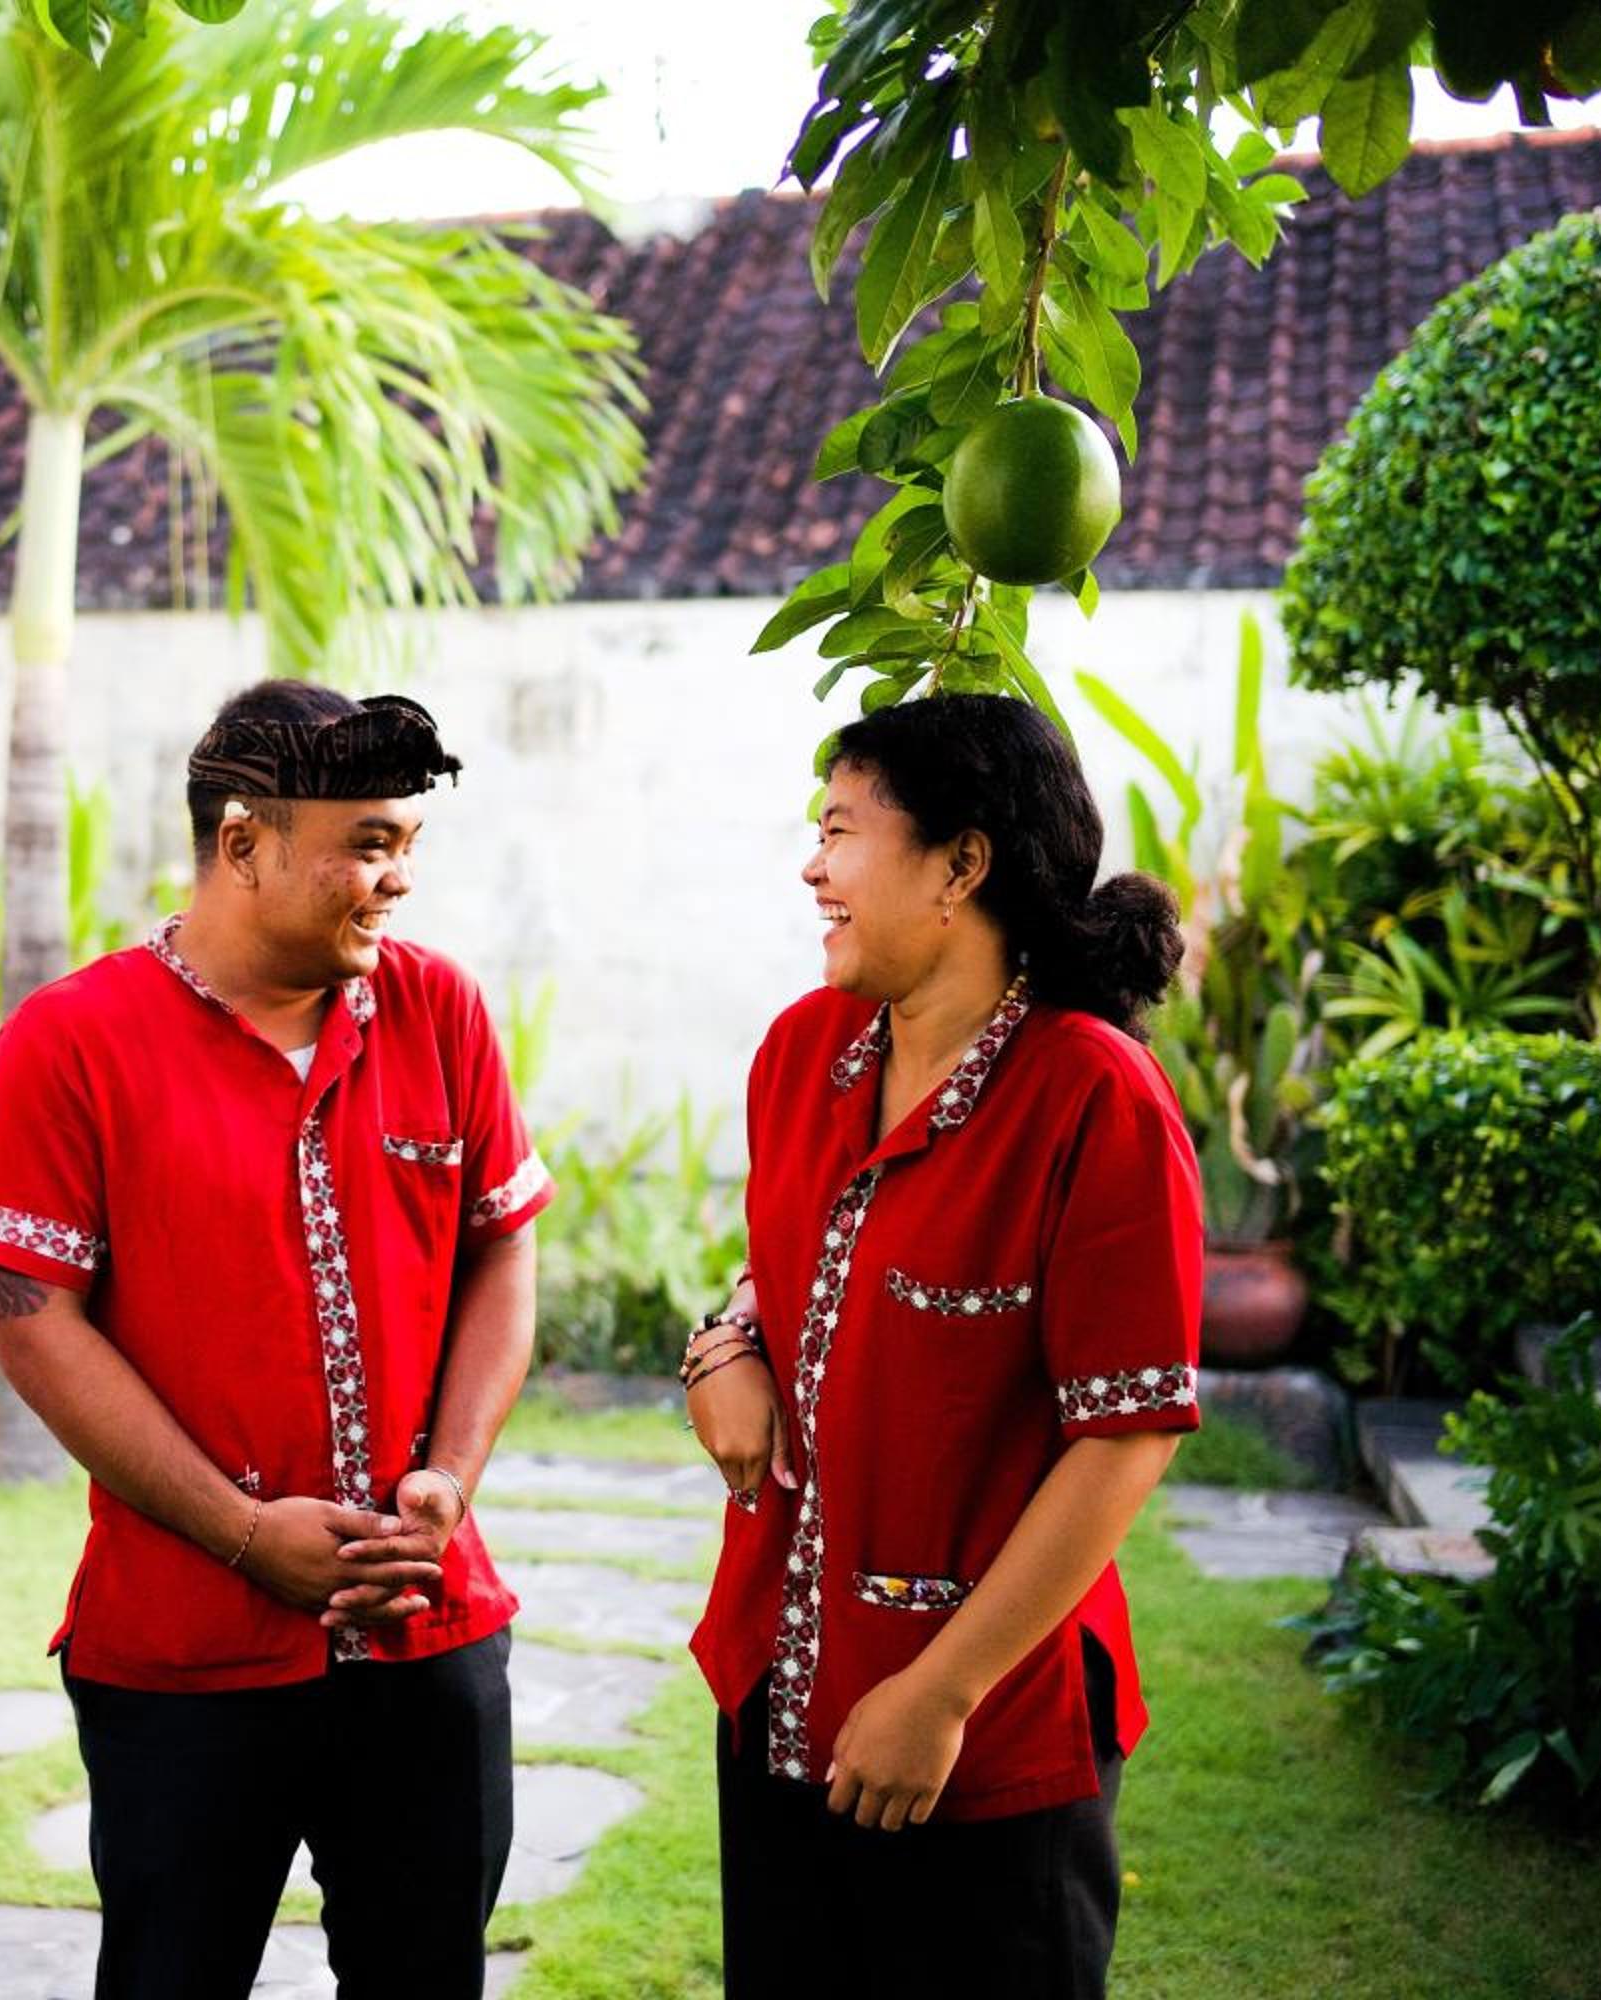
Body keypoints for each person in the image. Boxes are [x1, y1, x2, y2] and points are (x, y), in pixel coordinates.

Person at [0, 681, 548, 2000]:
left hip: (426, 1627)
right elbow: (36, 1322)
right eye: (369, 844)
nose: (399, 878)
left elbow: (502, 1247)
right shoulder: (72, 1040)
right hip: (185, 1656)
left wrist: (448, 1482)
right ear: (242, 843)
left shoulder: (438, 1009)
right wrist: (243, 1533)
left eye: (408, 842)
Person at [686, 694, 1200, 2000]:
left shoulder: (1095, 1096)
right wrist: (726, 1343)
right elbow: (793, 1264)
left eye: (841, 830)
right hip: (778, 1687)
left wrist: (942, 1692)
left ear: (962, 863)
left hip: (987, 1737)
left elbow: (1127, 1432)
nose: (813, 868)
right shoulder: (802, 1052)